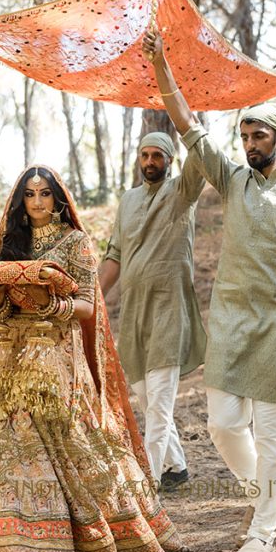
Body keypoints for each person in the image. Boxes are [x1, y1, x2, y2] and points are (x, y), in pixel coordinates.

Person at [144, 30, 276, 552]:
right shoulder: (231, 181)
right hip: (229, 325)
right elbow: (185, 124)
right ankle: (262, 500)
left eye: (260, 136)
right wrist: (162, 63)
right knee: (223, 426)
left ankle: (263, 533)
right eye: (245, 135)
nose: (250, 144)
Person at [0, 165, 187, 552]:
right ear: (21, 201)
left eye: (45, 194)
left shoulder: (76, 243)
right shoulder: (9, 244)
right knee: (2, 440)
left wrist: (51, 307)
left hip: (57, 355)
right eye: (30, 195)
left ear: (58, 199)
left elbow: (89, 307)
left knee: (65, 438)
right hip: (8, 360)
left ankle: (81, 538)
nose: (37, 202)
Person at [99, 132, 207, 491]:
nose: (149, 162)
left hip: (169, 310)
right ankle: (175, 467)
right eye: (144, 155)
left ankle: (144, 487)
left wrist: (187, 119)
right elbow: (114, 254)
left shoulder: (182, 192)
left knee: (159, 405)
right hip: (134, 315)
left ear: (170, 160)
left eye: (157, 156)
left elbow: (200, 153)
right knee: (147, 400)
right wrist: (94, 301)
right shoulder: (128, 200)